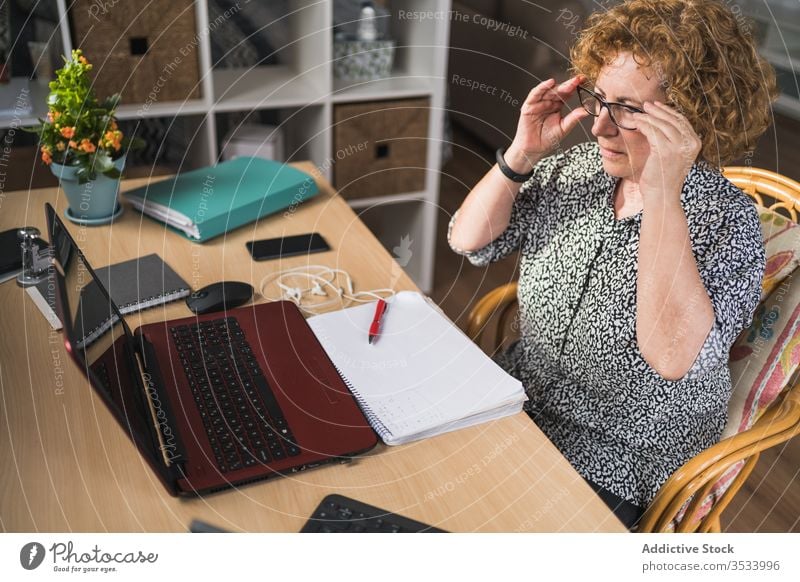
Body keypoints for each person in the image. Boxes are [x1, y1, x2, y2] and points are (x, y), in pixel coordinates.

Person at [448, 0, 777, 529]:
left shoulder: (727, 222)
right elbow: (468, 241)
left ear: (689, 119)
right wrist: (520, 156)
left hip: (612, 463)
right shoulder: (577, 171)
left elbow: (671, 357)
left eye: (626, 109)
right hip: (517, 404)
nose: (599, 126)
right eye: (599, 99)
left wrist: (663, 192)